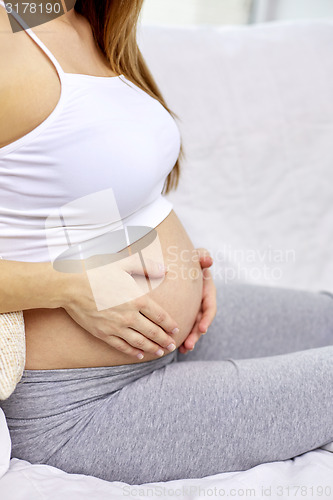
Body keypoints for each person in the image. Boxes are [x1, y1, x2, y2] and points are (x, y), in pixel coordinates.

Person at [0, 0, 332, 486]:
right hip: (82, 404)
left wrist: (177, 265)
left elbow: (59, 190)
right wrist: (66, 287)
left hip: (174, 331)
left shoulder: (76, 17)